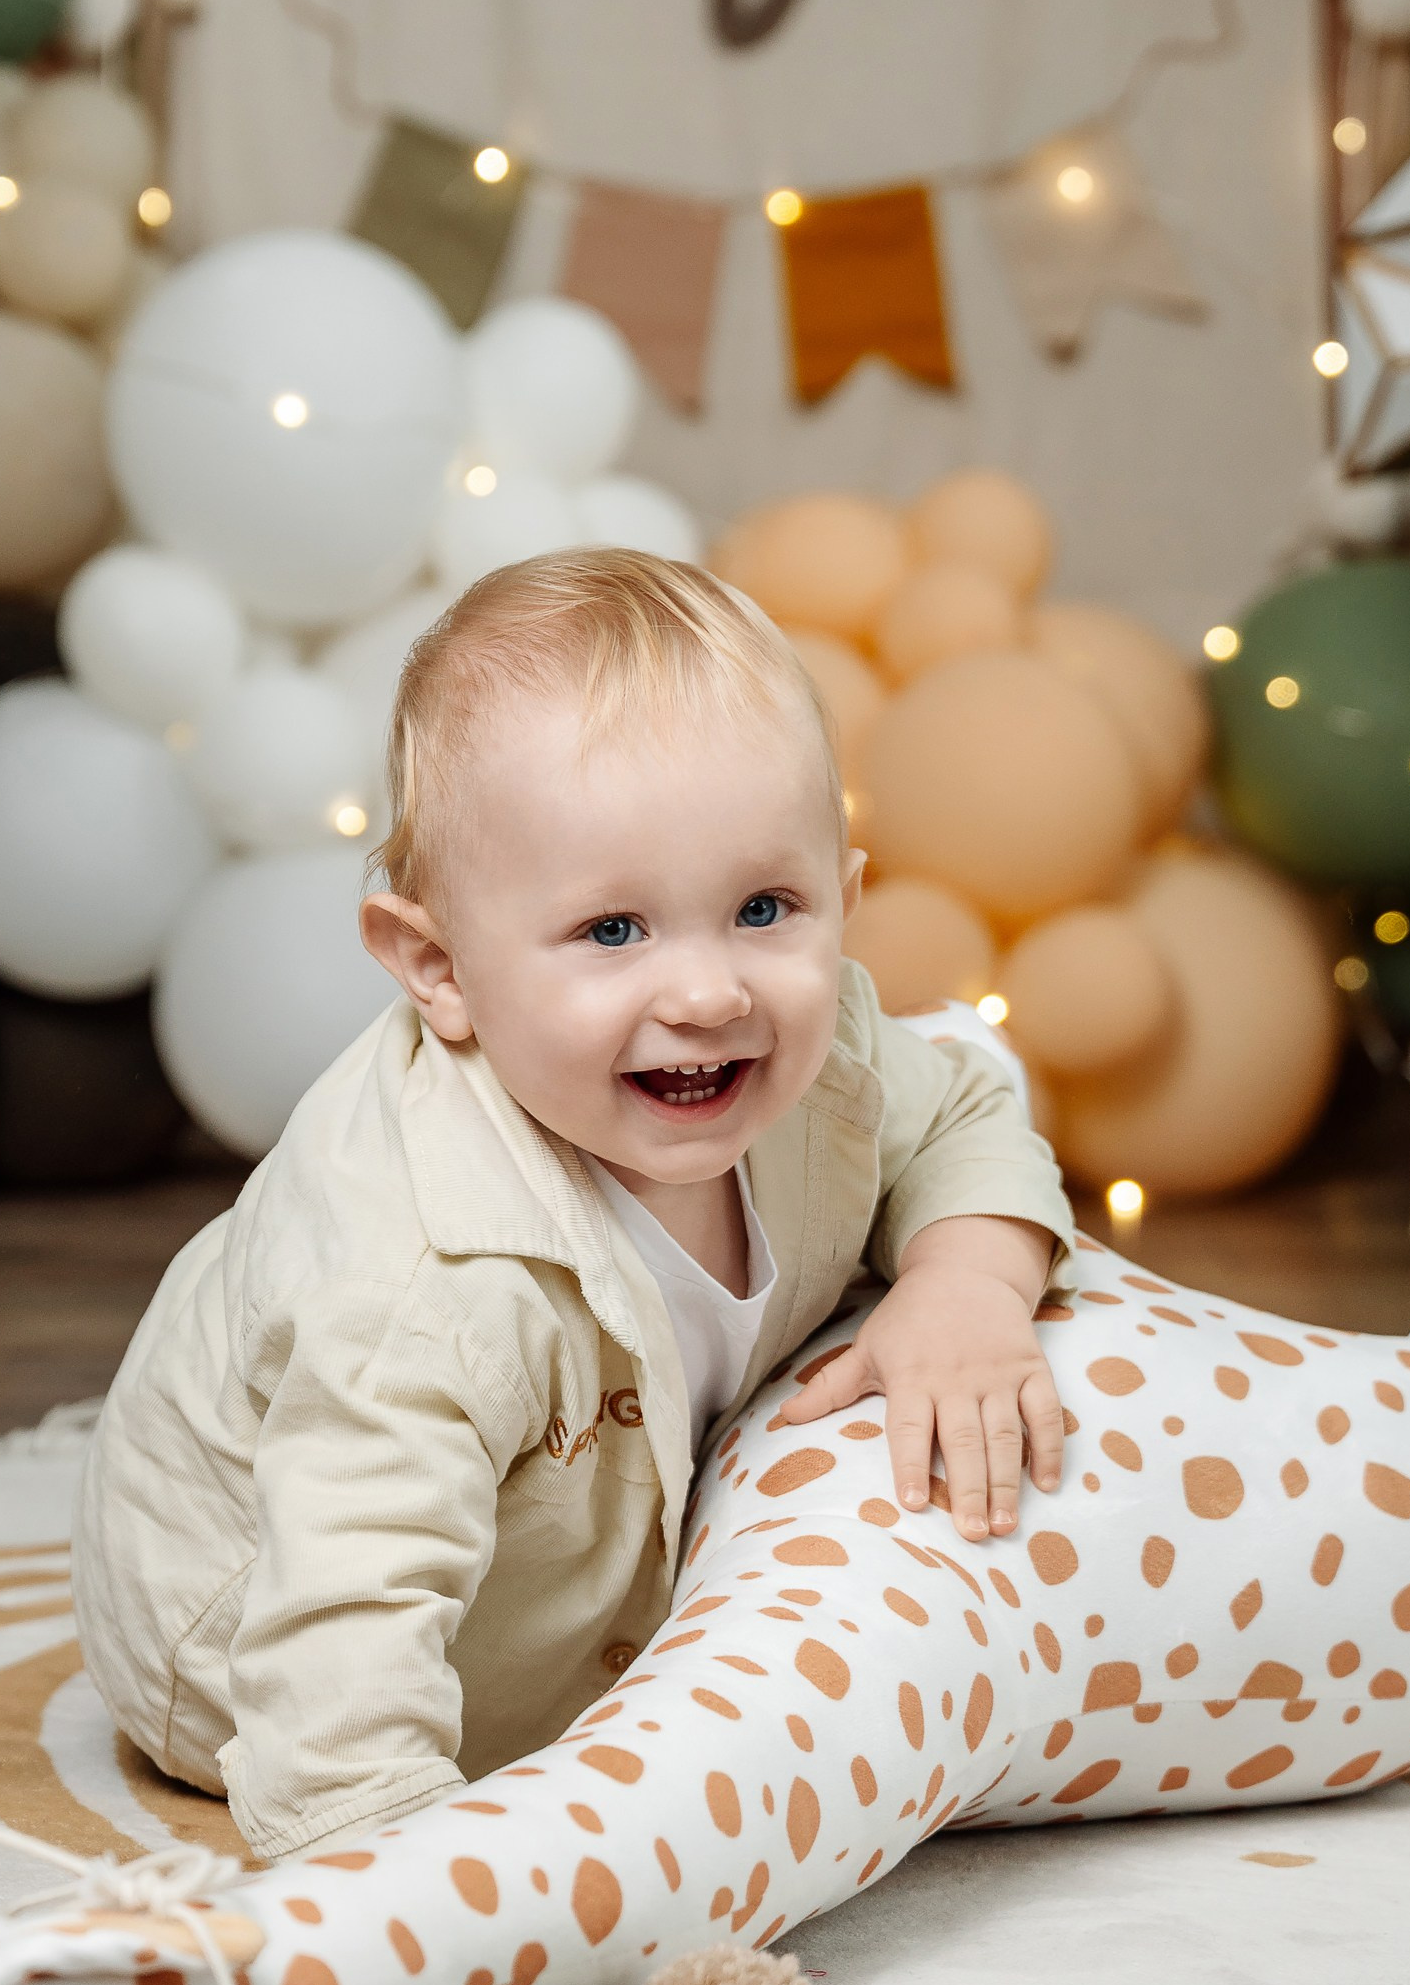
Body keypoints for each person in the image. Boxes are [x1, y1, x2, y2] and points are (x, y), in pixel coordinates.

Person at [74, 547, 1072, 1861]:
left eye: (763, 909)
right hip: (247, 1645)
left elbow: (965, 1115)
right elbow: (341, 1634)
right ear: (438, 968)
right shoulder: (421, 1280)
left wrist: (965, 1282)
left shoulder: (825, 1065)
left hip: (566, 1572)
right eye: (613, 932)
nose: (708, 992)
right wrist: (407, 1903)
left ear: (846, 899)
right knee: (370, 1645)